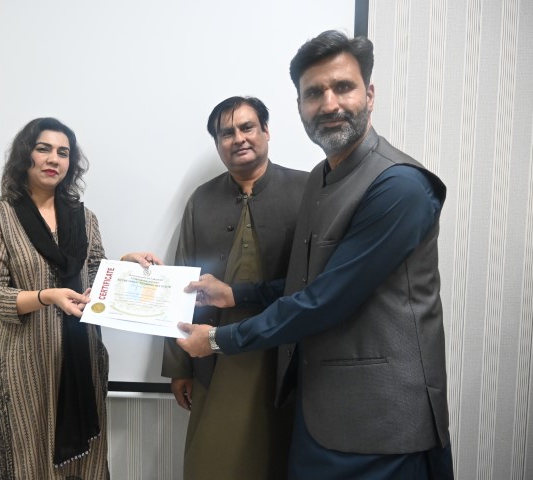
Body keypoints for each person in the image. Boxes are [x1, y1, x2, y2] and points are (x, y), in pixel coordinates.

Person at [176, 31, 454, 479]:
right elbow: (302, 284)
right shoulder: (321, 180)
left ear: (369, 94)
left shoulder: (398, 186)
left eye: (343, 87)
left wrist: (216, 340)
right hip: (317, 408)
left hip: (380, 423)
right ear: (300, 106)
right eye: (313, 93)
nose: (329, 104)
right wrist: (234, 294)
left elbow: (325, 300)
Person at [0, 117, 160, 480]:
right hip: (25, 362)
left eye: (63, 152)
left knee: (84, 463)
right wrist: (46, 296)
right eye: (43, 149)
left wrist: (125, 264)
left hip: (81, 356)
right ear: (25, 155)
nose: (53, 159)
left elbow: (94, 272)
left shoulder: (83, 218)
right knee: (29, 458)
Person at [161, 96, 308, 479]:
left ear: (266, 131)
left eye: (247, 127)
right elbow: (181, 283)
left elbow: (313, 283)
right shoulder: (202, 199)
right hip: (212, 354)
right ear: (217, 143)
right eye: (227, 133)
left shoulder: (307, 189)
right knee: (213, 461)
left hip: (283, 356)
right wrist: (178, 367)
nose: (238, 138)